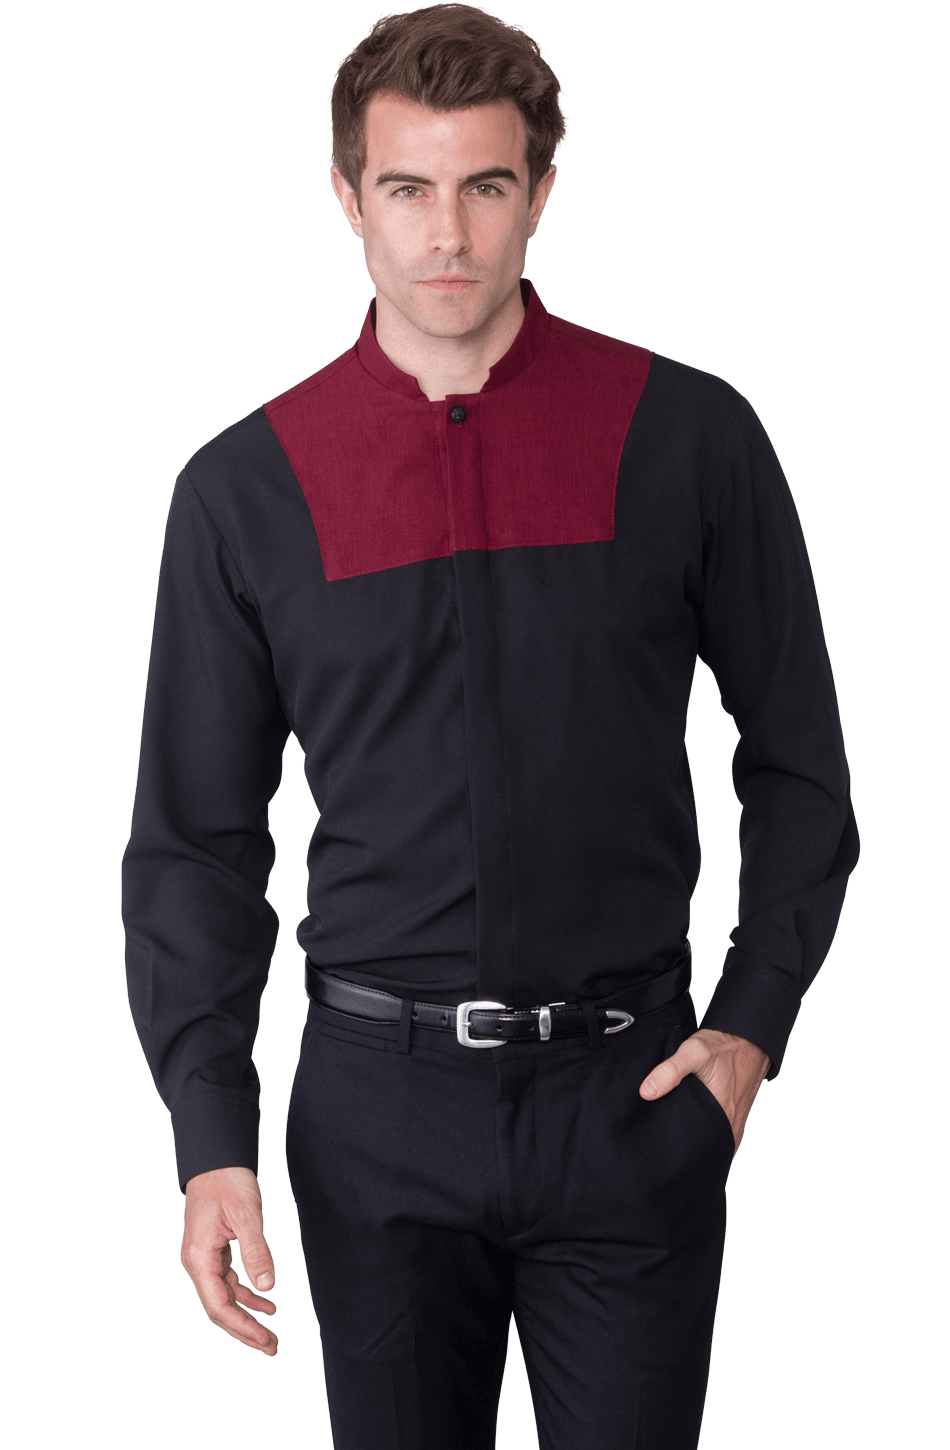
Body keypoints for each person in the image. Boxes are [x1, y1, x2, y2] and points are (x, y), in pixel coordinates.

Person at [121, 5, 859, 1446]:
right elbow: (194, 843)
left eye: (485, 185)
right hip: (371, 1115)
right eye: (407, 187)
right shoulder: (243, 486)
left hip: (632, 1096)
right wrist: (209, 1137)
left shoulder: (689, 435)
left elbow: (800, 767)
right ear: (349, 196)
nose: (446, 234)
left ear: (542, 192)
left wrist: (749, 1030)